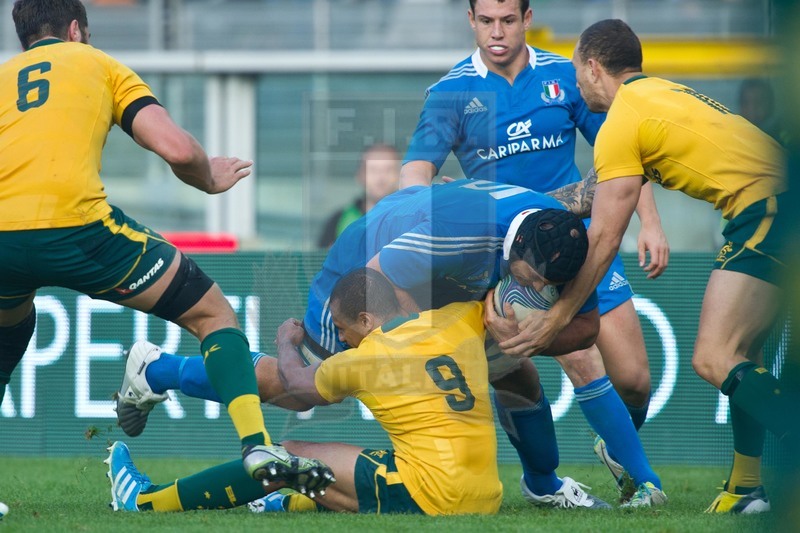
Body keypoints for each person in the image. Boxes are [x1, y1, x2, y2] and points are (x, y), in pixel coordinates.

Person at [117, 177, 618, 509]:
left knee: (517, 374)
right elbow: (377, 282)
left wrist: (539, 328)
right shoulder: (451, 284)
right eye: (527, 283)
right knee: (290, 392)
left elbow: (582, 325)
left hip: (402, 297)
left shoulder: (543, 239)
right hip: (356, 273)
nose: (532, 292)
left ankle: (545, 485)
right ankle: (157, 371)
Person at [0, 0, 332, 494]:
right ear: (76, 30)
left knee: (11, 327)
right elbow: (176, 148)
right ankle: (256, 444)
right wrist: (207, 176)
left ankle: (154, 375)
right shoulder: (98, 63)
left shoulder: (4, 78)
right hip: (80, 231)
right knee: (214, 314)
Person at [503, 18, 791, 514]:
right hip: (778, 199)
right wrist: (505, 203)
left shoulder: (620, 122)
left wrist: (557, 315)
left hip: (768, 208)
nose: (574, 81)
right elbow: (587, 194)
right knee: (743, 351)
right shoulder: (657, 95)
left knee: (713, 356)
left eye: (576, 69)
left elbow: (605, 238)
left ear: (594, 68)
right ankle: (746, 489)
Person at [400, 0, 666, 505]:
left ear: (526, 18)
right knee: (566, 359)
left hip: (579, 242)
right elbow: (416, 172)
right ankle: (639, 484)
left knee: (633, 381)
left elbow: (621, 153)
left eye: (507, 20)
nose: (496, 32)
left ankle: (616, 448)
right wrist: (426, 209)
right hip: (506, 258)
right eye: (485, 21)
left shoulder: (565, 77)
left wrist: (649, 224)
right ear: (471, 21)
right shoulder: (450, 93)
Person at [105, 268, 503, 515]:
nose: (342, 340)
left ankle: (143, 502)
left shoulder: (365, 359)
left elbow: (293, 383)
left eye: (343, 329)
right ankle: (285, 501)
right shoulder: (457, 319)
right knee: (356, 465)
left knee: (288, 455)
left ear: (365, 319)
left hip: (436, 495)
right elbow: (492, 291)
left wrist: (286, 342)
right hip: (486, 493)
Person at [317, 144, 401, 248]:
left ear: (400, 176)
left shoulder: (414, 220)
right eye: (373, 170)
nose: (381, 178)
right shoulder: (339, 221)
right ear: (360, 175)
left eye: (388, 170)